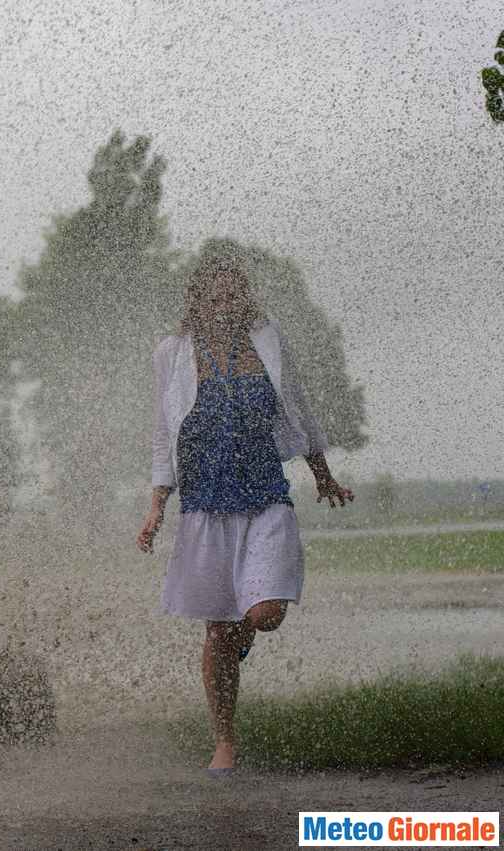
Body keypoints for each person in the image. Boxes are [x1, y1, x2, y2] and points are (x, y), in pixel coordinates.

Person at [135, 255, 353, 777]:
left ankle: (246, 634)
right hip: (205, 504)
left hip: (266, 498)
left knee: (265, 613)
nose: (225, 307)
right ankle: (225, 743)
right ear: (197, 303)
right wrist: (155, 505)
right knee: (216, 629)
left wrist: (322, 475)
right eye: (214, 298)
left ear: (245, 299)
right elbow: (165, 432)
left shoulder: (268, 340)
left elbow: (297, 409)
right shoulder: (173, 352)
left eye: (233, 297)